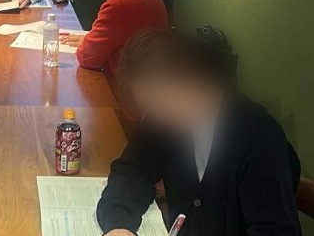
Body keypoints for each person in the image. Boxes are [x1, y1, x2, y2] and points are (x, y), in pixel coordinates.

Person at [97, 29, 301, 236]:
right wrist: (118, 225)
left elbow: (276, 230)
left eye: (158, 100)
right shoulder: (163, 121)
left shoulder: (259, 138)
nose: (157, 115)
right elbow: (132, 171)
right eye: (148, 106)